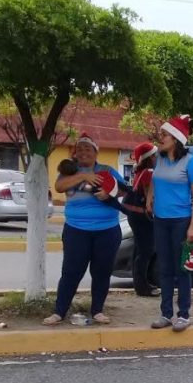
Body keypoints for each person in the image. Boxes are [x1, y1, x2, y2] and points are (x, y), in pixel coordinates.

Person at [43, 133, 126, 326]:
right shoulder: (69, 171)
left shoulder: (107, 170)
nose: (83, 152)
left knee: (102, 272)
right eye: (79, 149)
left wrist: (109, 193)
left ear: (96, 153)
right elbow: (59, 186)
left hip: (107, 230)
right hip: (76, 230)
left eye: (88, 148)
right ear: (74, 154)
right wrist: (83, 175)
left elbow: (123, 189)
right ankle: (59, 312)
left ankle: (97, 310)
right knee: (71, 272)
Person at [146, 115, 193, 332]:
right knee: (165, 268)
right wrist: (151, 197)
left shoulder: (191, 162)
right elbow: (155, 179)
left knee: (182, 269)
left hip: (181, 221)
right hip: (160, 220)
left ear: (176, 139)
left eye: (164, 134)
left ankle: (184, 315)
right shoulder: (160, 159)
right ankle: (166, 314)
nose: (160, 138)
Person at [123, 142, 159, 297]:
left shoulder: (141, 171)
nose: (157, 158)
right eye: (155, 155)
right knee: (146, 250)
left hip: (134, 215)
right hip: (142, 215)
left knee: (140, 249)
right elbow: (149, 197)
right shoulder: (149, 172)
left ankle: (140, 283)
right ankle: (142, 286)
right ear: (149, 158)